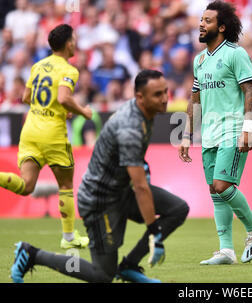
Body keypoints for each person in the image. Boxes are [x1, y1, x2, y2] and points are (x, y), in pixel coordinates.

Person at [11, 70, 190, 283]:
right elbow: (141, 187)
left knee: (177, 209)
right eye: (157, 94)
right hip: (99, 201)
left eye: (165, 92)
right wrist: (154, 234)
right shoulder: (130, 127)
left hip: (120, 190)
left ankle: (129, 266)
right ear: (140, 98)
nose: (164, 99)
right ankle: (31, 254)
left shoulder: (145, 112)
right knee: (102, 275)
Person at [179, 0, 252, 265]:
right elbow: (194, 100)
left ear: (222, 26)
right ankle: (226, 250)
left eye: (207, 20)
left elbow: (250, 92)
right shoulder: (200, 61)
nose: (201, 24)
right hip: (210, 134)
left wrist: (248, 129)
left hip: (232, 129)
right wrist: (186, 134)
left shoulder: (235, 53)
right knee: (214, 191)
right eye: (201, 19)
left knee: (222, 185)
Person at [0, 24, 92, 248]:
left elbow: (26, 97)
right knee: (66, 186)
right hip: (52, 134)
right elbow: (63, 98)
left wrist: (52, 107)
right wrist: (83, 111)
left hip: (30, 130)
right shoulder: (69, 70)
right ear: (69, 43)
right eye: (75, 39)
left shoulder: (38, 66)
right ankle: (69, 238)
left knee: (27, 186)